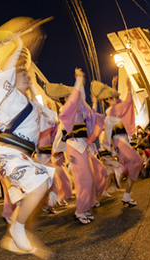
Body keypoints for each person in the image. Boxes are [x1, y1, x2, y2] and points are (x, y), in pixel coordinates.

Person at [0, 33, 57, 253]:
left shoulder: (32, 105)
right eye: (23, 75)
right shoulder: (9, 97)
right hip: (8, 153)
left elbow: (48, 118)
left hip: (21, 156)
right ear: (12, 79)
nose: (28, 78)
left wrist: (33, 89)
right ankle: (17, 228)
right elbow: (7, 72)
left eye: (28, 76)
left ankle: (13, 235)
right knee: (40, 184)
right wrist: (19, 47)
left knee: (38, 187)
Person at [59, 69, 106, 224]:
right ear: (65, 98)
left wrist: (81, 84)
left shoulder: (77, 109)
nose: (73, 96)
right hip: (74, 147)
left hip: (82, 147)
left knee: (89, 177)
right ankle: (80, 211)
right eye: (69, 95)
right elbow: (75, 99)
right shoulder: (65, 110)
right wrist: (78, 80)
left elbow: (82, 102)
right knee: (84, 179)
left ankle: (85, 208)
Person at [100, 77, 142, 206]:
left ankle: (127, 195)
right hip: (120, 141)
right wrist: (128, 87)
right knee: (138, 161)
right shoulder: (111, 111)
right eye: (112, 98)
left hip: (122, 142)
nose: (116, 98)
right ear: (108, 100)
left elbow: (120, 102)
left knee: (134, 167)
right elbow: (127, 101)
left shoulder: (114, 110)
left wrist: (114, 85)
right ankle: (119, 170)